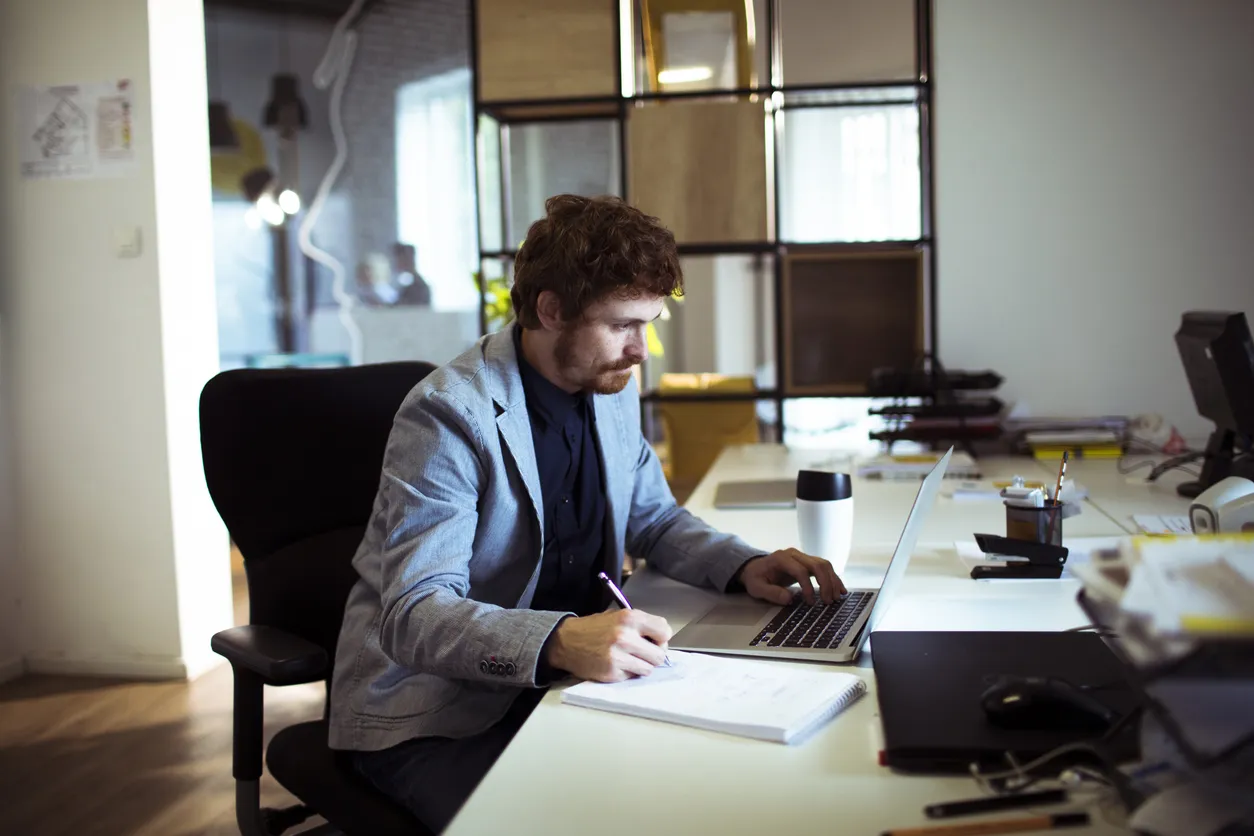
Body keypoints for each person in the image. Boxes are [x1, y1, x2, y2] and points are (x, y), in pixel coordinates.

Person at [329, 194, 845, 833]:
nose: (642, 349)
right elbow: (415, 616)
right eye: (624, 324)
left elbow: (654, 519)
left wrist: (744, 565)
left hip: (569, 684)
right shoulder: (448, 416)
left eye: (649, 323)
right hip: (438, 714)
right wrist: (559, 639)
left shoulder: (609, 386)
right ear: (551, 310)